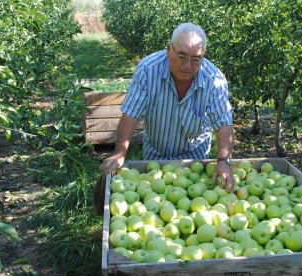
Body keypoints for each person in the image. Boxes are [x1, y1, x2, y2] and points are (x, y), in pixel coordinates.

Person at [99, 22, 235, 191]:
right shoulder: (147, 71)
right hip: (155, 155)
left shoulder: (214, 80)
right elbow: (130, 114)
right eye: (182, 56)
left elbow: (224, 122)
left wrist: (224, 160)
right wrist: (120, 153)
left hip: (195, 160)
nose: (187, 66)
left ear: (204, 55)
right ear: (169, 49)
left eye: (195, 59)